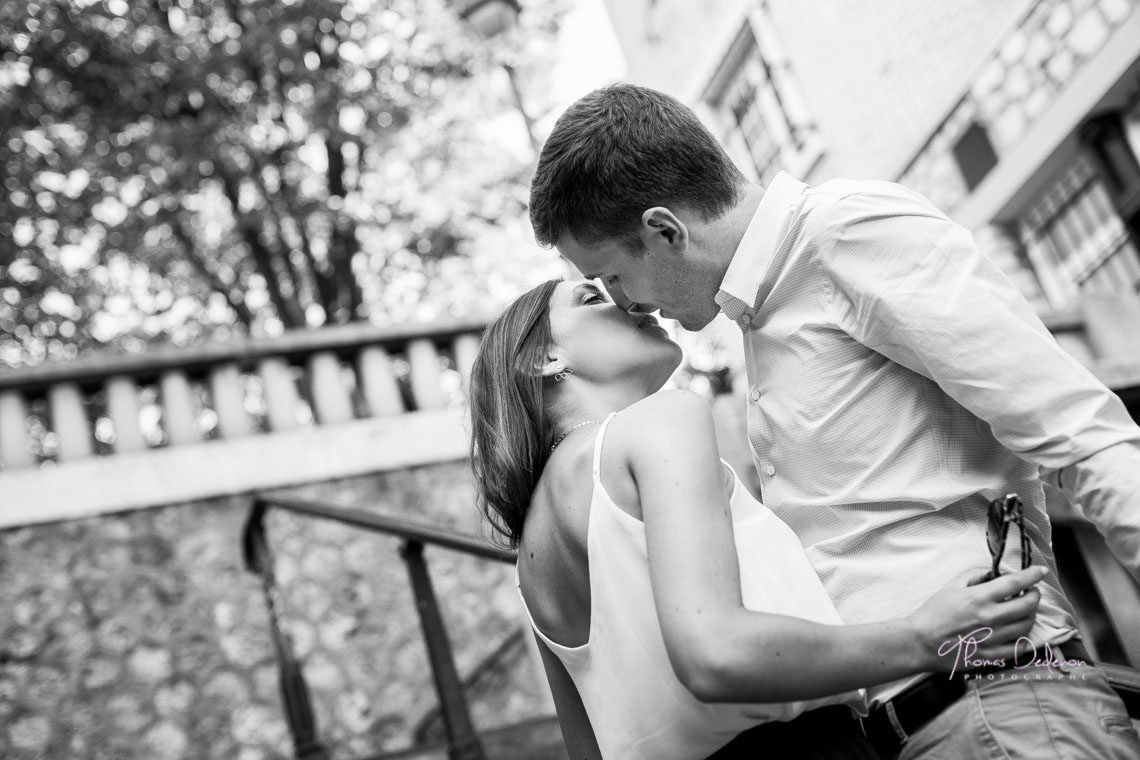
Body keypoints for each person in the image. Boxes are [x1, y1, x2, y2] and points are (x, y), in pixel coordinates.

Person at [526, 82, 1140, 758]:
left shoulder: (847, 232)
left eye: (613, 277)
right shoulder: (757, 323)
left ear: (665, 230)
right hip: (921, 728)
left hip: (1001, 705)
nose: (627, 305)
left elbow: (1082, 434)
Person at [467, 277, 1047, 760]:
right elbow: (716, 652)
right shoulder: (657, 423)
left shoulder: (532, 562)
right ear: (545, 358)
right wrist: (926, 636)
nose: (626, 301)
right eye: (591, 298)